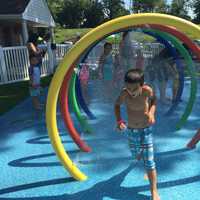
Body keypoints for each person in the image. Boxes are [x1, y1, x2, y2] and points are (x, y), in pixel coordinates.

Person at [114, 68, 160, 200]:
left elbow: (154, 101)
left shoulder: (147, 91)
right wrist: (119, 120)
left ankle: (154, 191)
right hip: (131, 131)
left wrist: (151, 113)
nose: (131, 92)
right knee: (136, 156)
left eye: (134, 89)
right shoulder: (124, 94)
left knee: (150, 163)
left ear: (142, 84)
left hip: (146, 131)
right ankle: (140, 155)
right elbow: (117, 105)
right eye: (128, 88)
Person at [27, 34, 46, 110]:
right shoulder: (30, 44)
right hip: (33, 83)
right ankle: (36, 105)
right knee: (34, 94)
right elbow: (35, 53)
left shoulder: (34, 45)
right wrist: (40, 51)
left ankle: (38, 104)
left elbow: (36, 54)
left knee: (37, 93)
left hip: (36, 70)